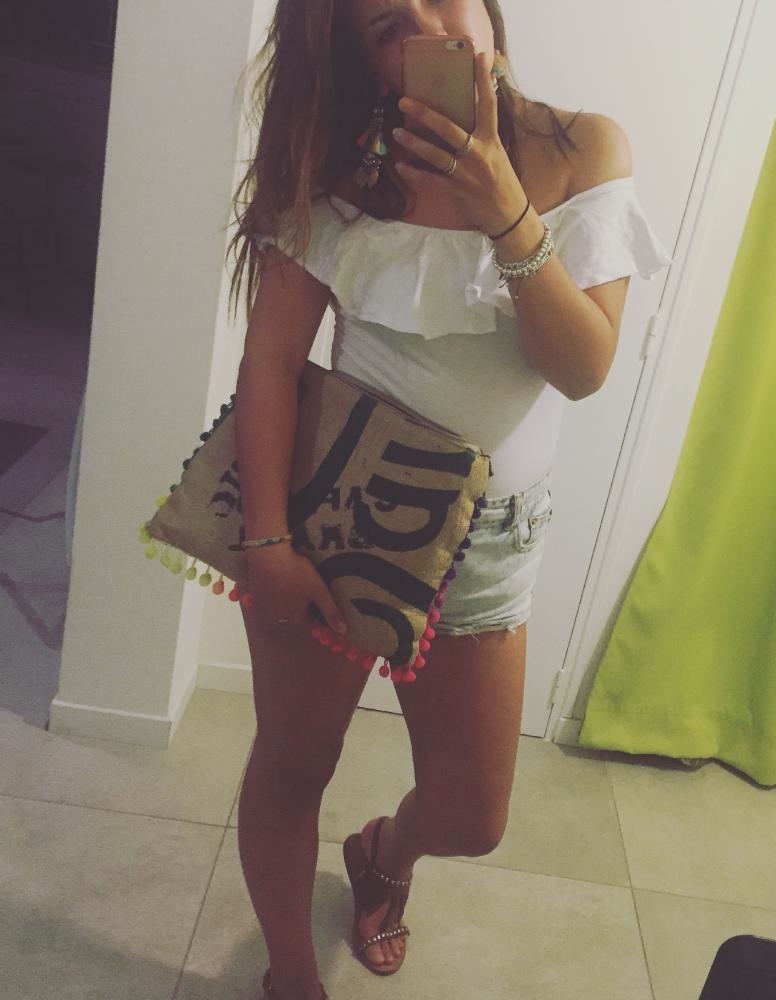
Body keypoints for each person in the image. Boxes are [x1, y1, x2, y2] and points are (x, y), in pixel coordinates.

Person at [227, 1, 670, 997]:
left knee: (473, 816)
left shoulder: (584, 149)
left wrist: (507, 211)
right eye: (388, 25)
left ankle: (384, 851)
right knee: (292, 765)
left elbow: (582, 368)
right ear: (360, 58)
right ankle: (291, 978)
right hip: (334, 517)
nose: (435, 29)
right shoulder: (341, 165)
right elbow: (269, 362)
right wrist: (265, 541)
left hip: (486, 541)